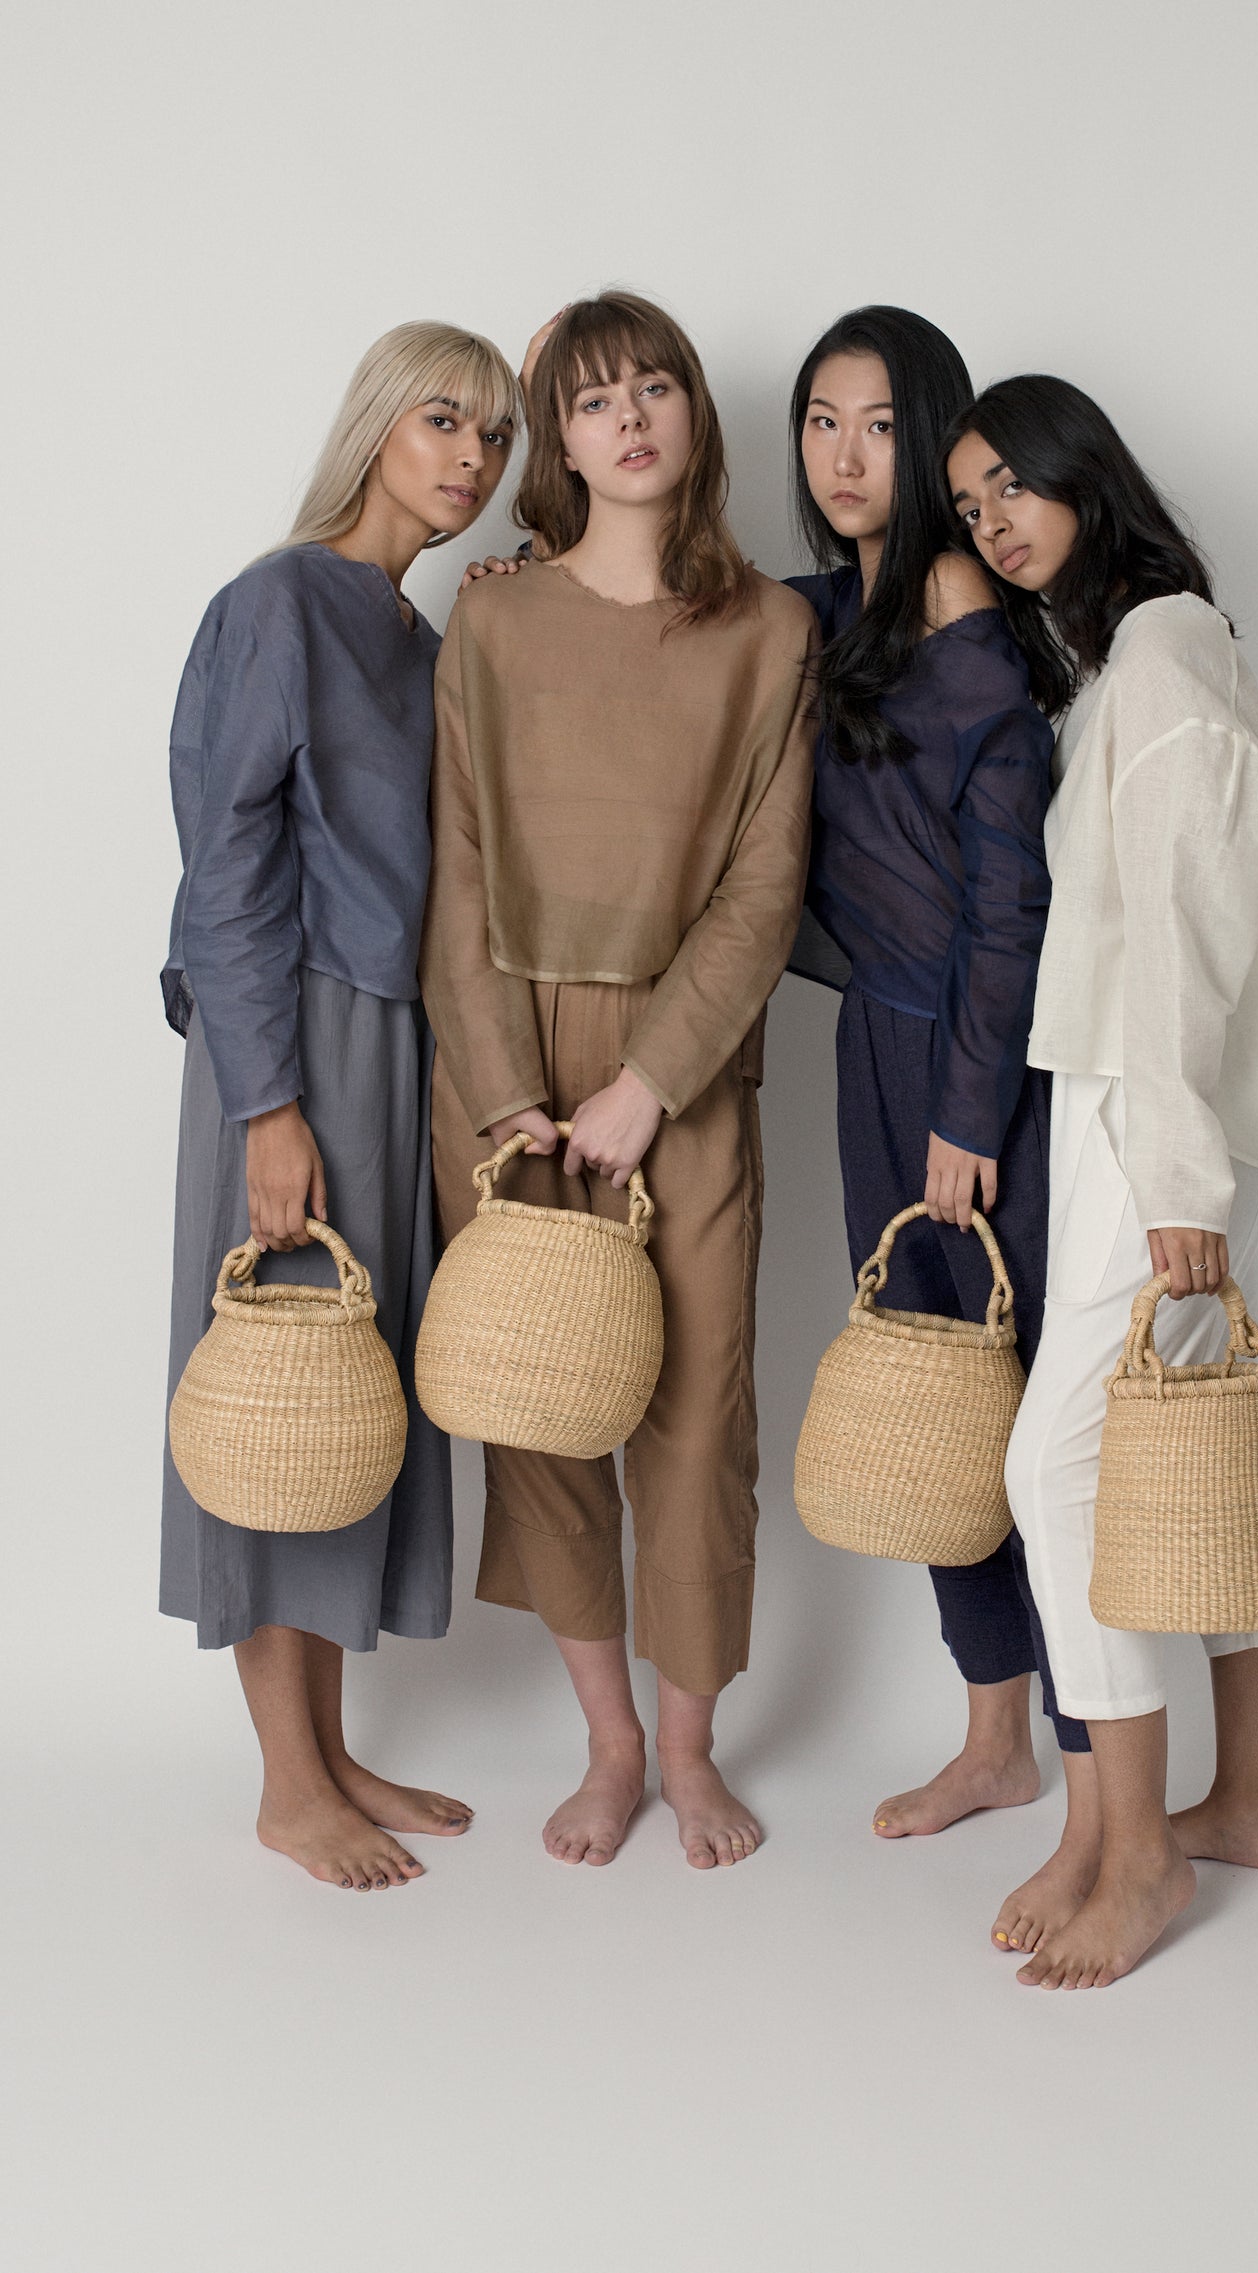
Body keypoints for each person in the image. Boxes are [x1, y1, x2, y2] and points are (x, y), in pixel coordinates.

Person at [421, 292, 817, 1871]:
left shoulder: (772, 632)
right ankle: (602, 1746)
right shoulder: (493, 618)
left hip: (689, 1064)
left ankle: (688, 1750)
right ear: (558, 439)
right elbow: (455, 877)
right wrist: (510, 1096)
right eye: (590, 401)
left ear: (692, 415)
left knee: (695, 1413)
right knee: (539, 1403)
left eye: (654, 386)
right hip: (510, 1057)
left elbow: (765, 886)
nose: (629, 418)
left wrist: (652, 1081)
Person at [947, 375, 1258, 1986]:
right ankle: (1240, 1799)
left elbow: (1170, 939)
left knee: (1059, 1467)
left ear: (1081, 473)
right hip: (1155, 1104)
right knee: (1197, 1442)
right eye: (966, 508)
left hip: (1135, 1107)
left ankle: (1139, 1842)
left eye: (1008, 486)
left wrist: (1173, 1174)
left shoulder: (1158, 652)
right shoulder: (1150, 649)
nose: (992, 522)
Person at [160, 320, 520, 1890]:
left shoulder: (418, 635)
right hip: (289, 1035)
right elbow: (227, 859)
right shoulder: (277, 601)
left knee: (346, 1385)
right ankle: (284, 1777)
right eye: (445, 418)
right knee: (272, 1371)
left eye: (496, 438)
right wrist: (265, 1104)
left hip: (397, 1045)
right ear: (376, 423)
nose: (470, 458)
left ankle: (330, 1744)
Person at [782, 308, 1094, 1928]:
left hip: (978, 1072)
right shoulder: (835, 610)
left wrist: (970, 1110)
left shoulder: (968, 634)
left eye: (881, 426)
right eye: (820, 422)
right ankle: (992, 1737)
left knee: (1027, 1416)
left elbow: (1010, 906)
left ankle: (1086, 1760)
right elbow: (682, 616)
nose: (844, 456)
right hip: (877, 1057)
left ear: (938, 441)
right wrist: (524, 563)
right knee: (928, 1406)